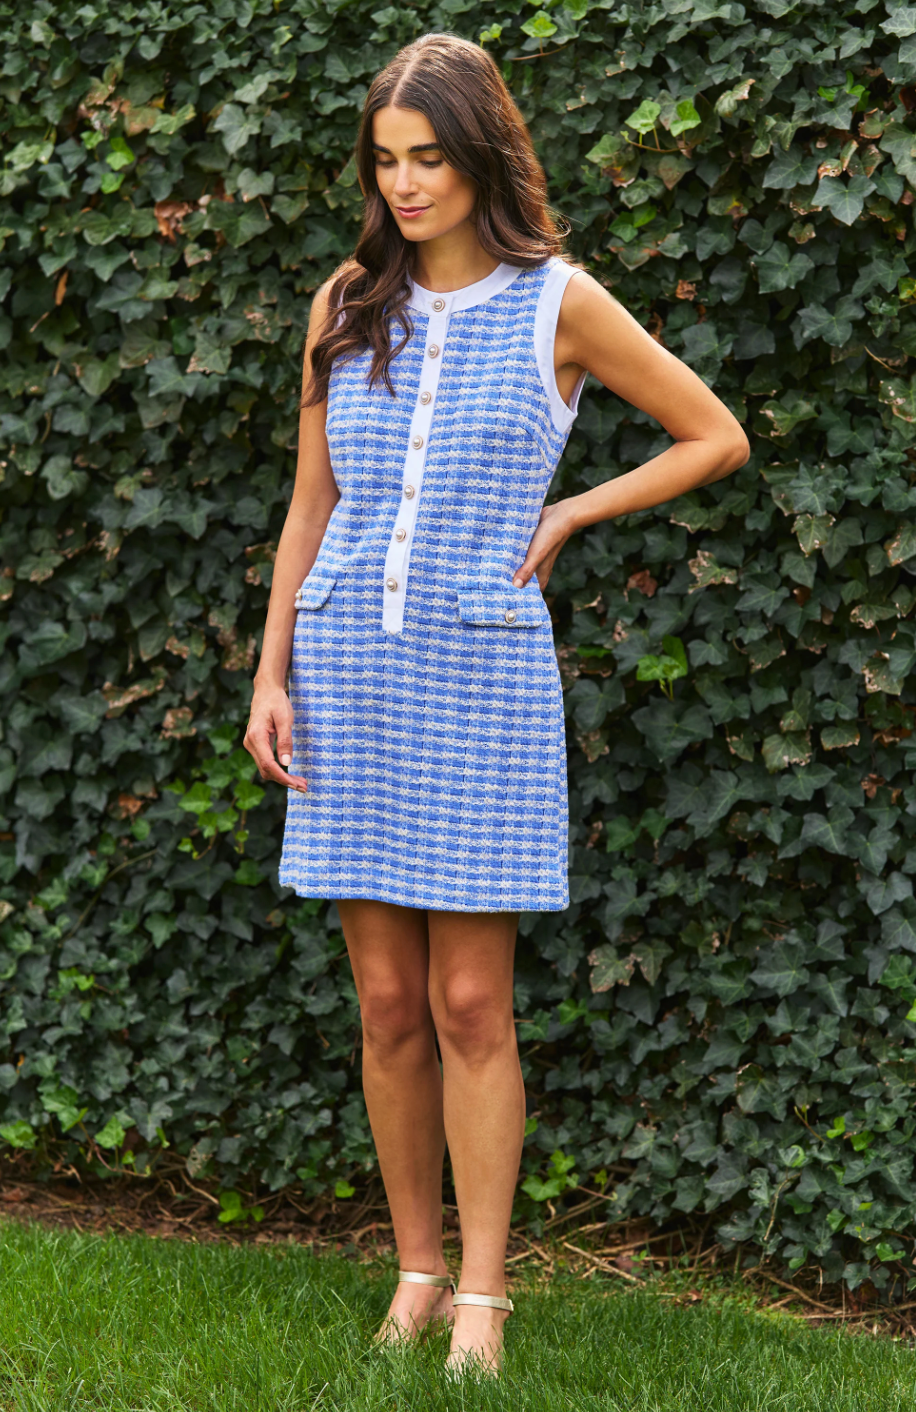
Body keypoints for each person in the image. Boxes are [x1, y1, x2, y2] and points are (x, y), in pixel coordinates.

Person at [244, 31, 750, 1378]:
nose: (405, 184)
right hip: (348, 675)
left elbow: (715, 434)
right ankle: (413, 1274)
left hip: (480, 680)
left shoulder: (557, 305)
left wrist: (572, 510)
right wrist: (271, 674)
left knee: (471, 1002)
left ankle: (483, 1295)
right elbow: (310, 507)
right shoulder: (347, 301)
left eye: (429, 157)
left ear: (480, 156)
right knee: (385, 1003)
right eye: (385, 160)